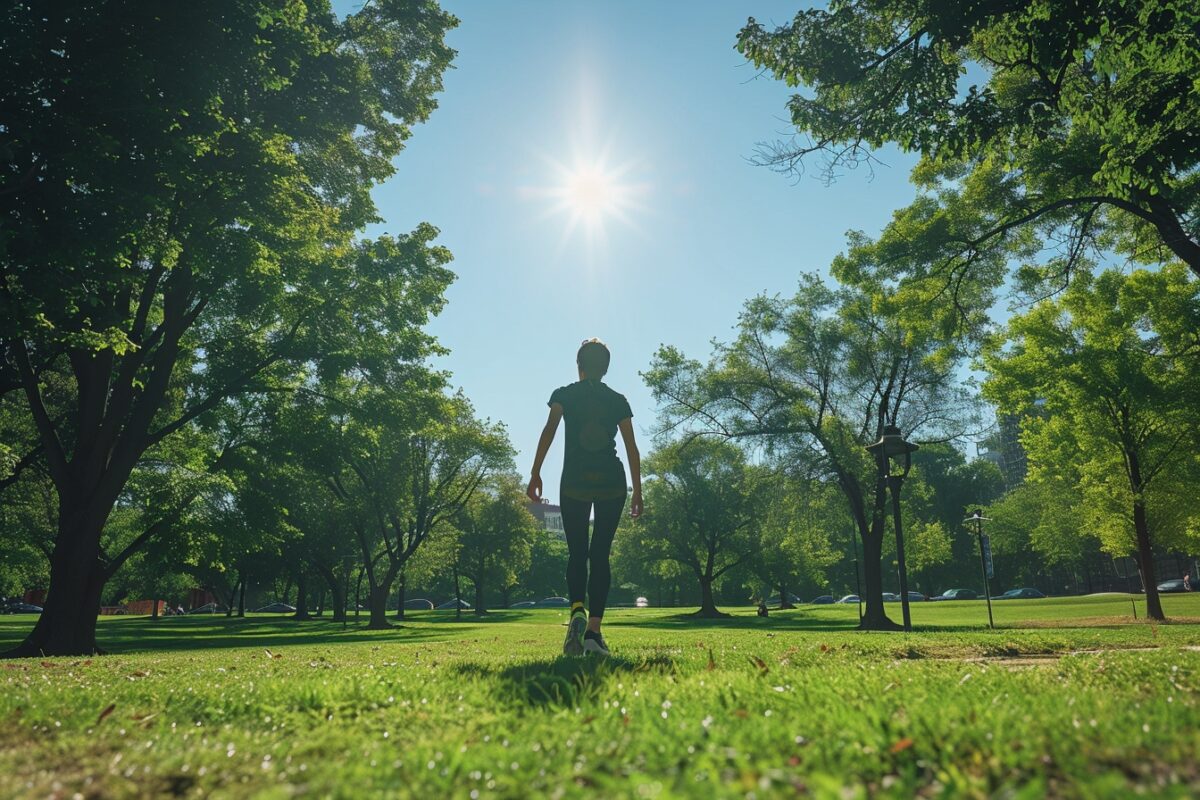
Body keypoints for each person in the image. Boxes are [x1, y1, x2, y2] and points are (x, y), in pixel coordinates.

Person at [527, 339, 642, 657]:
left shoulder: (564, 394)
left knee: (577, 553)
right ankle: (593, 631)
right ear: (605, 368)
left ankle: (576, 610)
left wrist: (536, 472)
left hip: (575, 481)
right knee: (600, 554)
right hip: (612, 483)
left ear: (579, 365)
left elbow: (549, 429)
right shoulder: (618, 400)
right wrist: (638, 491)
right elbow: (632, 448)